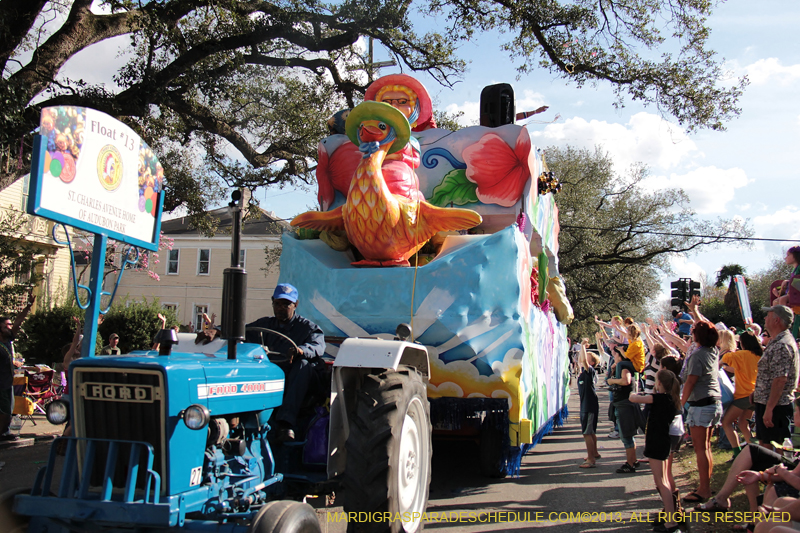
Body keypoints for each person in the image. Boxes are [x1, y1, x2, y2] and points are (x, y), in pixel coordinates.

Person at [246, 283, 325, 442]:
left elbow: (318, 346)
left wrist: (301, 351)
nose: (281, 308)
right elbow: (242, 332)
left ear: (295, 304)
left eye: (286, 304)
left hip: (302, 382)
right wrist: (218, 331)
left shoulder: (308, 328)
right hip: (273, 376)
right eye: (278, 304)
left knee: (303, 364)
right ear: (272, 302)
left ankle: (286, 423)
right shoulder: (264, 325)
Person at [630, 369, 682, 533]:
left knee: (661, 482)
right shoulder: (671, 399)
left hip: (656, 442)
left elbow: (633, 398)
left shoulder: (657, 398)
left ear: (659, 383)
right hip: (663, 441)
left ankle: (671, 521)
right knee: (664, 479)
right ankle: (670, 516)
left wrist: (633, 386)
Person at [680, 320, 722, 504]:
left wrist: (680, 403)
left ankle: (704, 489)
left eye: (693, 331)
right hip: (713, 403)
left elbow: (690, 381)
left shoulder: (697, 356)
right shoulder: (713, 351)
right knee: (706, 448)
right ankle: (705, 485)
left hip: (701, 405)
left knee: (700, 449)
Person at [752, 305, 799, 449]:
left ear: (777, 320)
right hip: (767, 403)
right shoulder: (776, 341)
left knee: (774, 448)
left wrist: (769, 409)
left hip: (776, 406)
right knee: (764, 445)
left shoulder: (782, 345)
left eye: (768, 315)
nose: (765, 318)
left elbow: (780, 380)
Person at [720, 331, 763, 457]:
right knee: (743, 424)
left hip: (743, 395)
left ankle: (737, 453)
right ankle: (754, 452)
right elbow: (739, 369)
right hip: (755, 394)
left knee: (726, 422)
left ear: (743, 343)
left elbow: (724, 359)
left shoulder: (740, 355)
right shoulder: (758, 355)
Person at [0, 291, 35, 441]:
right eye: (6, 325)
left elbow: (18, 322)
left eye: (9, 325)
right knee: (5, 411)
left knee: (9, 410)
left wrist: (28, 307)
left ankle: (4, 433)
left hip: (8, 383)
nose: (10, 327)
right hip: (0, 384)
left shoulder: (8, 341)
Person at [607, 342, 643, 473]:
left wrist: (612, 381)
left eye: (615, 354)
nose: (613, 356)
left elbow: (626, 381)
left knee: (626, 436)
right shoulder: (619, 367)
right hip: (622, 404)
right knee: (627, 436)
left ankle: (630, 463)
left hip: (625, 405)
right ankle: (633, 460)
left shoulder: (624, 368)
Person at [577, 340, 600, 468]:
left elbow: (584, 361)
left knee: (587, 433)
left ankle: (591, 459)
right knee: (590, 432)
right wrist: (582, 349)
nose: (584, 358)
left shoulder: (589, 371)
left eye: (587, 357)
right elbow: (582, 360)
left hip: (589, 406)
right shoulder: (584, 373)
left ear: (591, 362)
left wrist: (581, 345)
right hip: (587, 404)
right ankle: (594, 453)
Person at [773, 246, 800, 339]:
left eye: (788, 255)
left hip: (797, 295)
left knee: (783, 299)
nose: (786, 257)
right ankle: (776, 321)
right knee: (775, 302)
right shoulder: (795, 269)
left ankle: (785, 321)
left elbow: (797, 282)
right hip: (792, 294)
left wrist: (788, 282)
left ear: (796, 255)